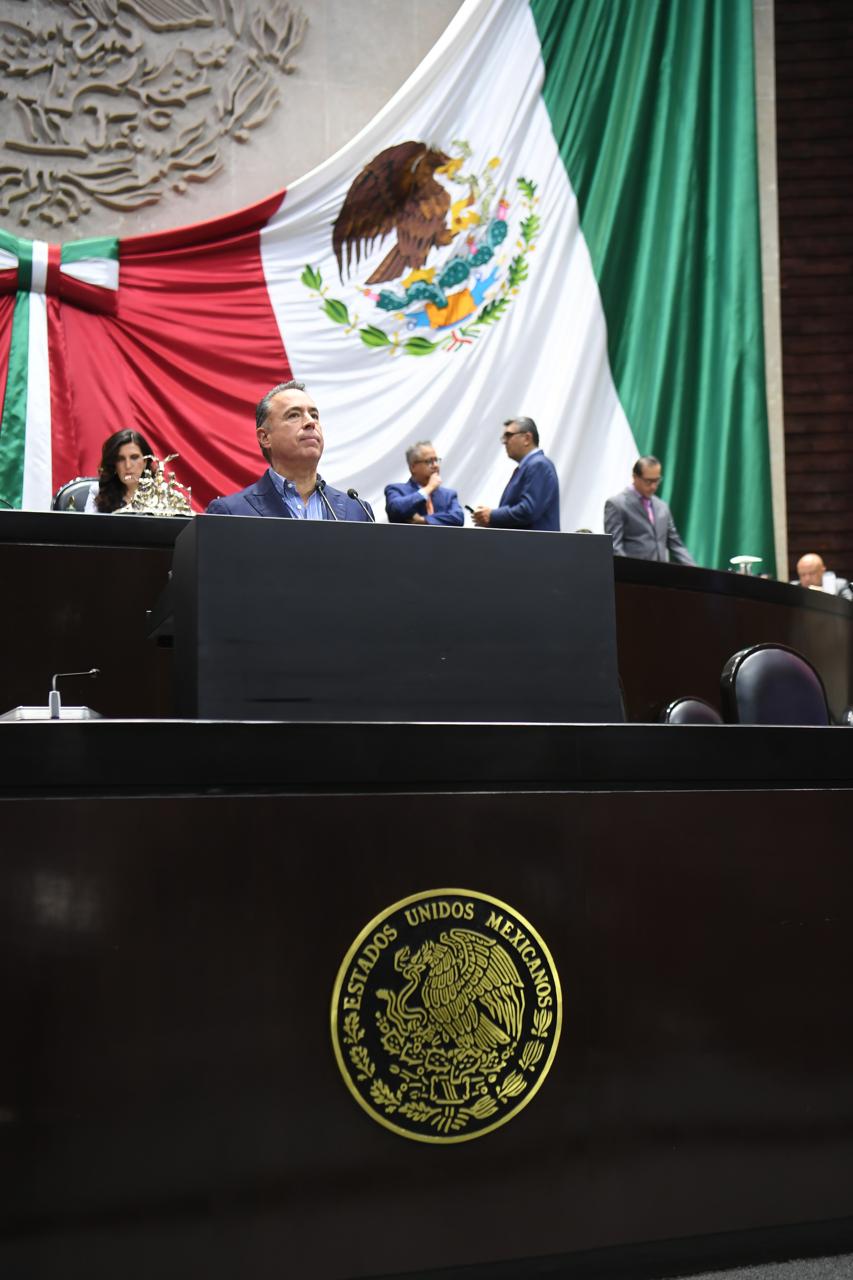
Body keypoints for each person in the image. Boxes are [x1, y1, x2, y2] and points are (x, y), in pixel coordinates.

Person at [206, 380, 373, 521]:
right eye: (293, 415)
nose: (310, 422)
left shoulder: (358, 511)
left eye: (314, 415)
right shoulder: (231, 513)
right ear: (265, 437)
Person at [472, 417, 560, 531]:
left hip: (532, 542)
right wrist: (490, 520)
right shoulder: (529, 466)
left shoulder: (539, 464)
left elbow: (528, 510)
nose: (504, 441)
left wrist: (492, 516)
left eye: (508, 435)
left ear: (527, 438)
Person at [604, 456, 694, 564]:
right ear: (635, 477)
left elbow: (675, 544)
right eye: (648, 481)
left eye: (657, 480)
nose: (653, 486)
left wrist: (694, 569)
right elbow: (614, 547)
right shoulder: (616, 504)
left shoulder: (662, 506)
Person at [384, 442, 464, 526]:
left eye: (436, 460)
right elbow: (395, 510)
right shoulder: (396, 489)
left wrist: (425, 520)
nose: (435, 465)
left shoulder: (448, 495)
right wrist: (428, 488)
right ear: (413, 467)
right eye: (429, 461)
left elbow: (458, 518)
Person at [84, 429, 154, 513]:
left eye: (134, 457)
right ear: (114, 464)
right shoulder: (98, 492)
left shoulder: (160, 493)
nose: (128, 465)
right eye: (120, 459)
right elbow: (89, 521)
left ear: (145, 461)